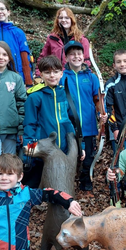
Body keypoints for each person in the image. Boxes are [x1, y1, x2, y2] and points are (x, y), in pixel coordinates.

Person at [22, 55, 84, 188]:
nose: (52, 75)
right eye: (47, 72)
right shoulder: (35, 97)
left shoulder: (66, 95)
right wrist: (29, 151)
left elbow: (70, 122)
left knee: (58, 185)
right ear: (41, 75)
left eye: (56, 72)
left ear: (61, 73)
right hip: (41, 152)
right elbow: (29, 125)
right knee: (34, 185)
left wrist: (80, 146)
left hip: (62, 151)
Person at [60, 40, 107, 194]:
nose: (76, 57)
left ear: (84, 56)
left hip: (88, 124)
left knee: (88, 156)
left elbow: (97, 99)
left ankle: (85, 179)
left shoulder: (91, 77)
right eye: (72, 54)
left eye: (79, 53)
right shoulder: (62, 77)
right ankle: (68, 181)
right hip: (69, 124)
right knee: (72, 153)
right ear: (66, 57)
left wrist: (101, 113)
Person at [0, 0, 33, 87]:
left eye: (2, 9)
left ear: (8, 12)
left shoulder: (18, 32)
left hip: (16, 77)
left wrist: (28, 81)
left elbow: (25, 58)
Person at [36, 7, 91, 77]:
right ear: (57, 20)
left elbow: (86, 61)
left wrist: (81, 75)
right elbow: (43, 58)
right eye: (61, 18)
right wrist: (38, 75)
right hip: (55, 77)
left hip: (74, 77)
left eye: (67, 18)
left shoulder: (81, 39)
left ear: (72, 20)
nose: (63, 20)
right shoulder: (52, 38)